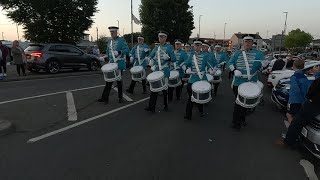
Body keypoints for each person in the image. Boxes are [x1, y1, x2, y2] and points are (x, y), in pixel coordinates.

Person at [227, 34, 265, 130]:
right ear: (243, 42)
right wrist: (234, 70)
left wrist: (264, 66)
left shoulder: (259, 54)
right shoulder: (237, 53)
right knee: (238, 103)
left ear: (253, 43)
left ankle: (242, 118)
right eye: (246, 41)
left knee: (246, 104)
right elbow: (230, 63)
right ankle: (235, 122)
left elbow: (260, 69)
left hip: (251, 82)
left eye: (250, 41)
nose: (248, 43)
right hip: (238, 82)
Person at [276, 66, 320, 148]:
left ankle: (289, 142)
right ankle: (294, 139)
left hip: (312, 104)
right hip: (312, 104)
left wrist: (309, 98)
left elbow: (311, 91)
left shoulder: (315, 78)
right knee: (300, 122)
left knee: (297, 122)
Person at [144, 31, 176, 113]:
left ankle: (165, 105)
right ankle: (151, 107)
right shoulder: (156, 48)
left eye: (162, 37)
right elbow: (151, 55)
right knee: (154, 89)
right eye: (159, 37)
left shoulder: (169, 47)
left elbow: (174, 59)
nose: (160, 38)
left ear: (165, 38)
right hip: (157, 71)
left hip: (165, 71)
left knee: (164, 89)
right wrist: (149, 58)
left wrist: (168, 58)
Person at [98, 26, 129, 104]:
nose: (112, 34)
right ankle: (105, 98)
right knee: (108, 81)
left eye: (113, 32)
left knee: (119, 82)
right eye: (111, 32)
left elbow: (127, 50)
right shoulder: (109, 42)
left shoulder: (122, 40)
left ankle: (120, 98)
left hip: (119, 64)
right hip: (111, 64)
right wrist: (105, 57)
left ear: (116, 32)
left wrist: (119, 52)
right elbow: (108, 52)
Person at [184, 39, 211, 121]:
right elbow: (186, 63)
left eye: (198, 45)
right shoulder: (191, 55)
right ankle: (188, 114)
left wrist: (211, 70)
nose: (197, 47)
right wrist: (186, 69)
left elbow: (211, 65)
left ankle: (201, 110)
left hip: (202, 78)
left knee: (200, 96)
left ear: (201, 46)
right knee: (190, 97)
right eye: (195, 45)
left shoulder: (206, 55)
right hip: (193, 78)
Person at [286, 59, 312, 124]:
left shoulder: (294, 77)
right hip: (302, 101)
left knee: (289, 115)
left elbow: (295, 90)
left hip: (295, 101)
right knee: (297, 117)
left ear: (294, 66)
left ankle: (292, 131)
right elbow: (306, 89)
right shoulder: (304, 77)